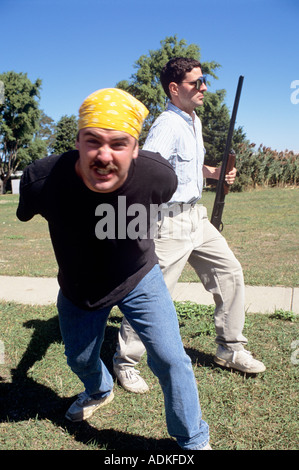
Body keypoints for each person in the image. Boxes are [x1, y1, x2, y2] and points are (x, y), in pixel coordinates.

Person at [16, 87, 211, 450]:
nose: (104, 155)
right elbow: (24, 212)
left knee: (172, 359)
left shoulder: (157, 175)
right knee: (78, 357)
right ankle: (99, 388)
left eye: (119, 143)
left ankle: (194, 440)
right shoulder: (42, 181)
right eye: (93, 141)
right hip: (80, 289)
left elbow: (165, 197)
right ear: (78, 141)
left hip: (139, 276)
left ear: (136, 149)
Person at [113, 57, 266, 394]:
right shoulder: (167, 125)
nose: (204, 88)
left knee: (230, 272)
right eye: (197, 83)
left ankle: (230, 348)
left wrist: (211, 173)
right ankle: (125, 363)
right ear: (174, 88)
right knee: (152, 293)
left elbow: (185, 167)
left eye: (204, 80)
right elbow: (150, 170)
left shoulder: (192, 121)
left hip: (196, 217)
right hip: (169, 222)